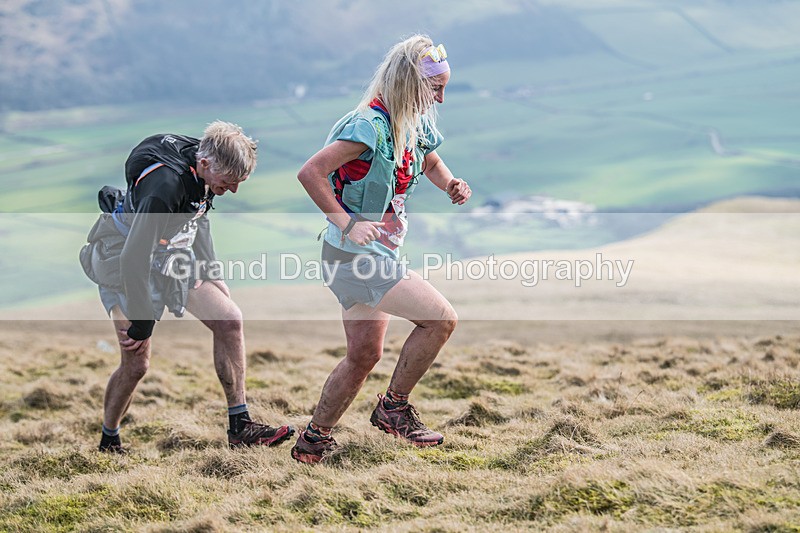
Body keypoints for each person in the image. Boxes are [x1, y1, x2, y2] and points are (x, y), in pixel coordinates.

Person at [292, 35, 471, 463]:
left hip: (371, 256)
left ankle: (313, 442)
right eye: (435, 89)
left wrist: (449, 183)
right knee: (441, 320)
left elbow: (429, 160)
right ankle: (394, 409)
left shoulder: (413, 122)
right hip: (355, 259)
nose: (440, 99)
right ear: (410, 83)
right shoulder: (367, 127)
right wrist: (348, 223)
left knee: (363, 356)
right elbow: (310, 173)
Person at [81, 121, 294, 453]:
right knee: (136, 364)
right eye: (229, 182)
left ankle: (240, 426)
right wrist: (142, 323)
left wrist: (210, 270)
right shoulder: (164, 186)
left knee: (229, 320)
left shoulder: (206, 161)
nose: (233, 191)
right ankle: (110, 439)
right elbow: (134, 258)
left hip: (170, 255)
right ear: (205, 164)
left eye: (238, 183)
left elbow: (199, 212)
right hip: (122, 258)